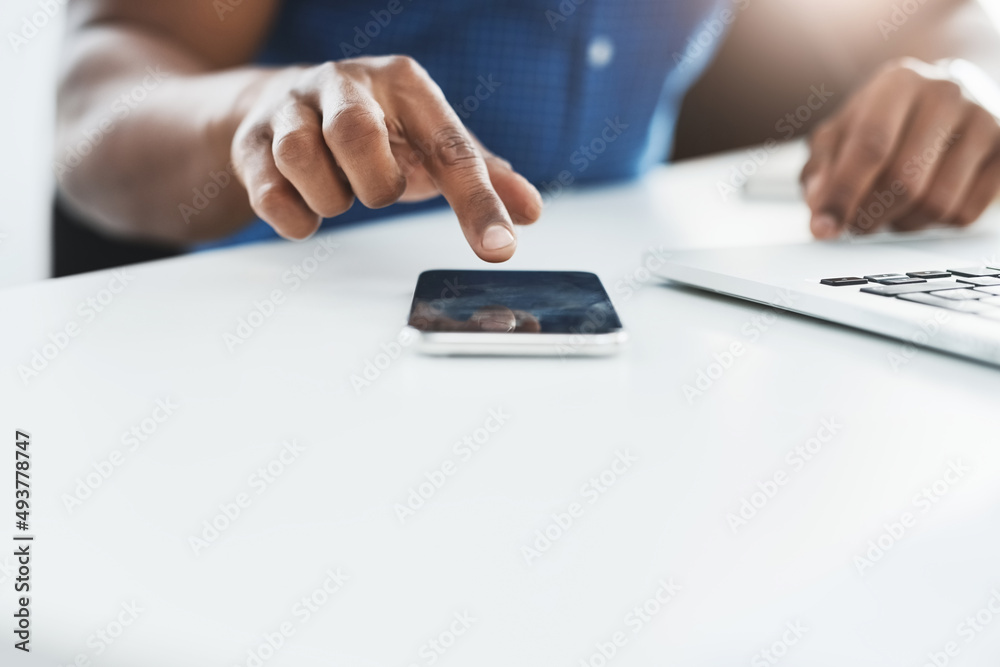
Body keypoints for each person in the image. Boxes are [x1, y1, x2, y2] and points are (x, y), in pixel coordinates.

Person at [55, 0, 1000, 269]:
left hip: (631, 356)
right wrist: (254, 112)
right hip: (272, 342)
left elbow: (946, 16)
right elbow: (92, 106)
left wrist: (973, 81)